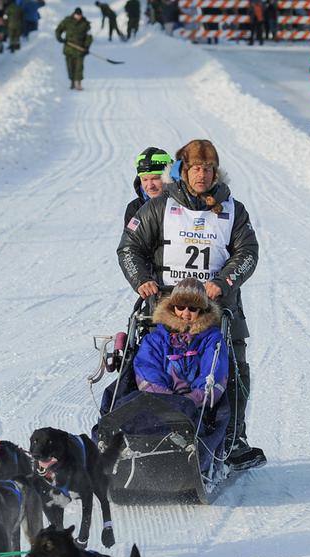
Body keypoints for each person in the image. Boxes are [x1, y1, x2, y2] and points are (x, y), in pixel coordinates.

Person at [117, 139, 264, 470]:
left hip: (218, 307)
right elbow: (129, 248)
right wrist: (141, 280)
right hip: (165, 306)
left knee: (232, 369)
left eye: (208, 168)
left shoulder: (233, 210)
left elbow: (248, 252)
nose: (202, 175)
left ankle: (231, 438)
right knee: (156, 363)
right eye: (196, 168)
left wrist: (225, 280)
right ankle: (144, 431)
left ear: (216, 171)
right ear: (184, 171)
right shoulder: (159, 206)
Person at [134, 277, 228, 409]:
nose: (186, 313)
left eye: (193, 308)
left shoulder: (211, 338)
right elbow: (147, 368)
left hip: (197, 407)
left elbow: (214, 370)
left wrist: (190, 401)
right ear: (172, 308)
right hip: (159, 403)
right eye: (180, 307)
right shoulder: (154, 339)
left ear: (201, 310)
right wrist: (168, 401)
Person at [124, 146, 171, 226]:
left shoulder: (184, 205)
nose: (150, 186)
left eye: (155, 178)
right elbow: (129, 238)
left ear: (168, 177)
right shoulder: (134, 208)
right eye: (145, 179)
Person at [55, 8, 92, 90]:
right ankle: (72, 82)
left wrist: (86, 47)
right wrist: (59, 37)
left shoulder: (85, 23)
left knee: (79, 67)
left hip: (80, 49)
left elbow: (89, 37)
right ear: (74, 14)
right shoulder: (67, 21)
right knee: (70, 66)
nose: (79, 16)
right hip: (69, 48)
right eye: (77, 15)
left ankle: (78, 83)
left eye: (80, 15)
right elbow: (58, 30)